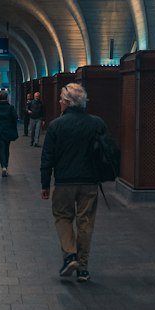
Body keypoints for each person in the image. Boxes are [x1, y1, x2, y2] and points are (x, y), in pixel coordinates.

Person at [40, 82, 116, 282]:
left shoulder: (56, 125)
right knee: (85, 223)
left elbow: (47, 157)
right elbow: (108, 150)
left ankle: (70, 255)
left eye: (61, 100)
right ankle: (83, 268)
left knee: (63, 218)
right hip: (89, 182)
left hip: (64, 181)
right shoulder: (96, 123)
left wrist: (45, 184)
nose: (59, 102)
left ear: (67, 102)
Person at [0, 89, 19, 177]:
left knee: (1, 150)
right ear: (7, 98)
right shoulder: (11, 108)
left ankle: (3, 167)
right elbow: (15, 118)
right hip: (8, 131)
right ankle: (6, 165)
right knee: (6, 149)